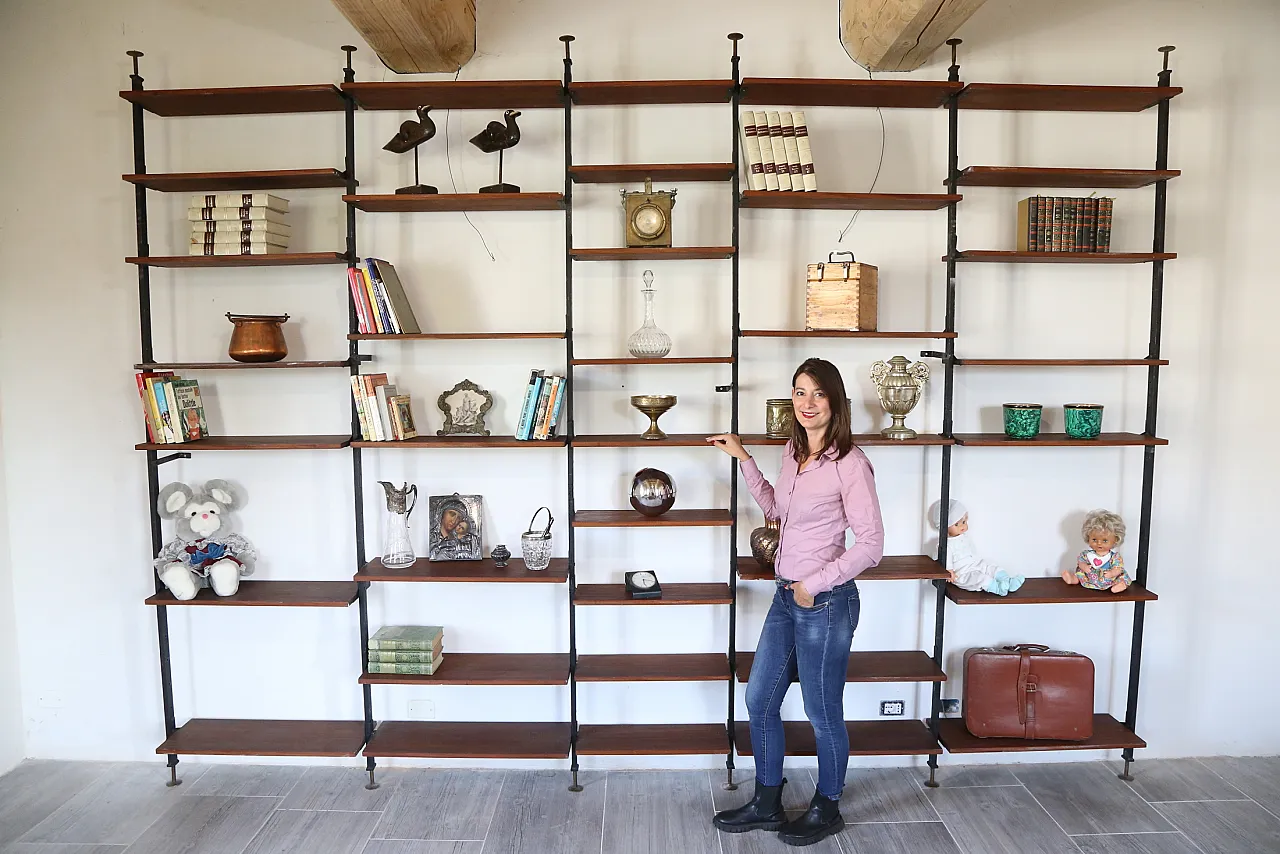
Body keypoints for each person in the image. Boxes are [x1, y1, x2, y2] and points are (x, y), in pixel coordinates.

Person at [706, 357, 884, 847]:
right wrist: (744, 459)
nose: (807, 403)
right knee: (759, 700)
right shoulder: (792, 452)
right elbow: (776, 511)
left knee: (822, 711)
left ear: (835, 401)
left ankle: (828, 807)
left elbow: (871, 544)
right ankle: (767, 803)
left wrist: (815, 583)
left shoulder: (851, 464)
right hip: (786, 598)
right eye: (799, 392)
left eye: (818, 394)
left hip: (825, 603)